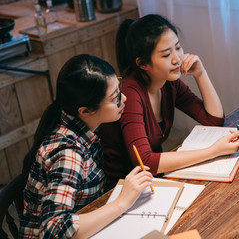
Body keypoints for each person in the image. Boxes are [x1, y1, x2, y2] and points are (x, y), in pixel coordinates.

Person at [98, 14, 239, 186]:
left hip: (151, 180)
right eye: (166, 54)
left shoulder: (169, 84)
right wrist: (212, 151)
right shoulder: (130, 93)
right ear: (142, 63)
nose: (177, 59)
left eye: (178, 47)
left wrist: (200, 73)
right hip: (121, 187)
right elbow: (145, 162)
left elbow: (213, 120)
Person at [19, 54, 153, 238]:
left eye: (119, 89)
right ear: (85, 110)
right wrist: (121, 203)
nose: (123, 99)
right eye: (114, 97)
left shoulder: (85, 125)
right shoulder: (68, 153)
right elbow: (54, 229)